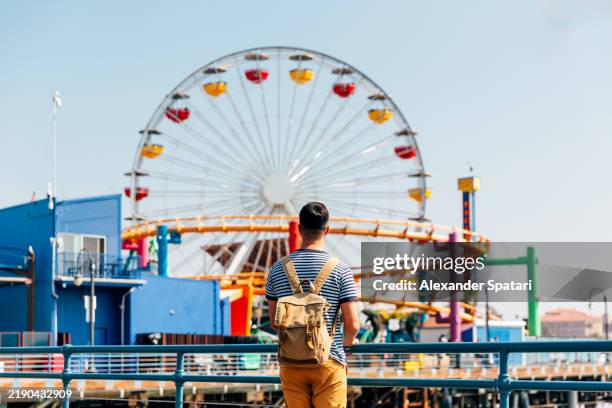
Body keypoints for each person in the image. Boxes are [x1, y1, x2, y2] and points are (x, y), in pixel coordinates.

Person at [266, 202, 359, 408]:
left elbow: (274, 322)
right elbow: (353, 325)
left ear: (299, 228)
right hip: (328, 361)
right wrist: (346, 345)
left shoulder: (277, 269)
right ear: (327, 230)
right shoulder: (341, 270)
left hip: (291, 362)